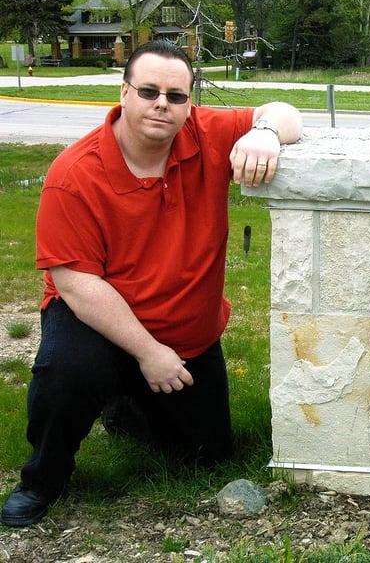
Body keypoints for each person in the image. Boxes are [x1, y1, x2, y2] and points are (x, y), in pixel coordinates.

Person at [1, 40, 303, 527]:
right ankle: (42, 479)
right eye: (148, 90)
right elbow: (76, 284)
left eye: (176, 95)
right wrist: (149, 353)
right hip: (98, 320)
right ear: (124, 93)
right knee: (68, 375)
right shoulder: (74, 174)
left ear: (189, 102)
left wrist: (264, 133)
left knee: (207, 456)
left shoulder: (206, 135)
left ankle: (124, 406)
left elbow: (286, 111)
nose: (163, 103)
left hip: (186, 328)